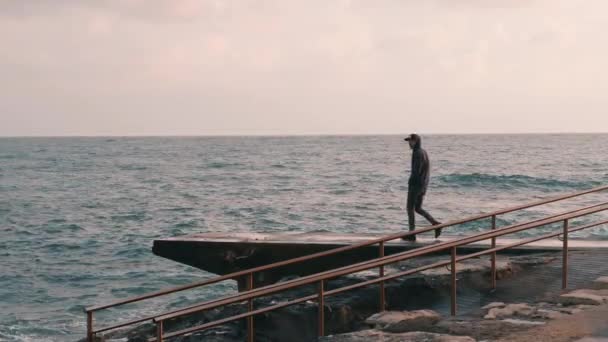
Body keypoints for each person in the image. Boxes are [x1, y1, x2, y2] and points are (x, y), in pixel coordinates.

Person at [403, 134, 442, 241]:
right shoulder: (423, 152)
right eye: (408, 141)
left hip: (416, 185)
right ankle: (435, 223)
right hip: (423, 185)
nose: (409, 144)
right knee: (418, 208)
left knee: (410, 208)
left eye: (410, 141)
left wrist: (411, 183)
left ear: (416, 141)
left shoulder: (417, 153)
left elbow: (416, 171)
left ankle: (412, 234)